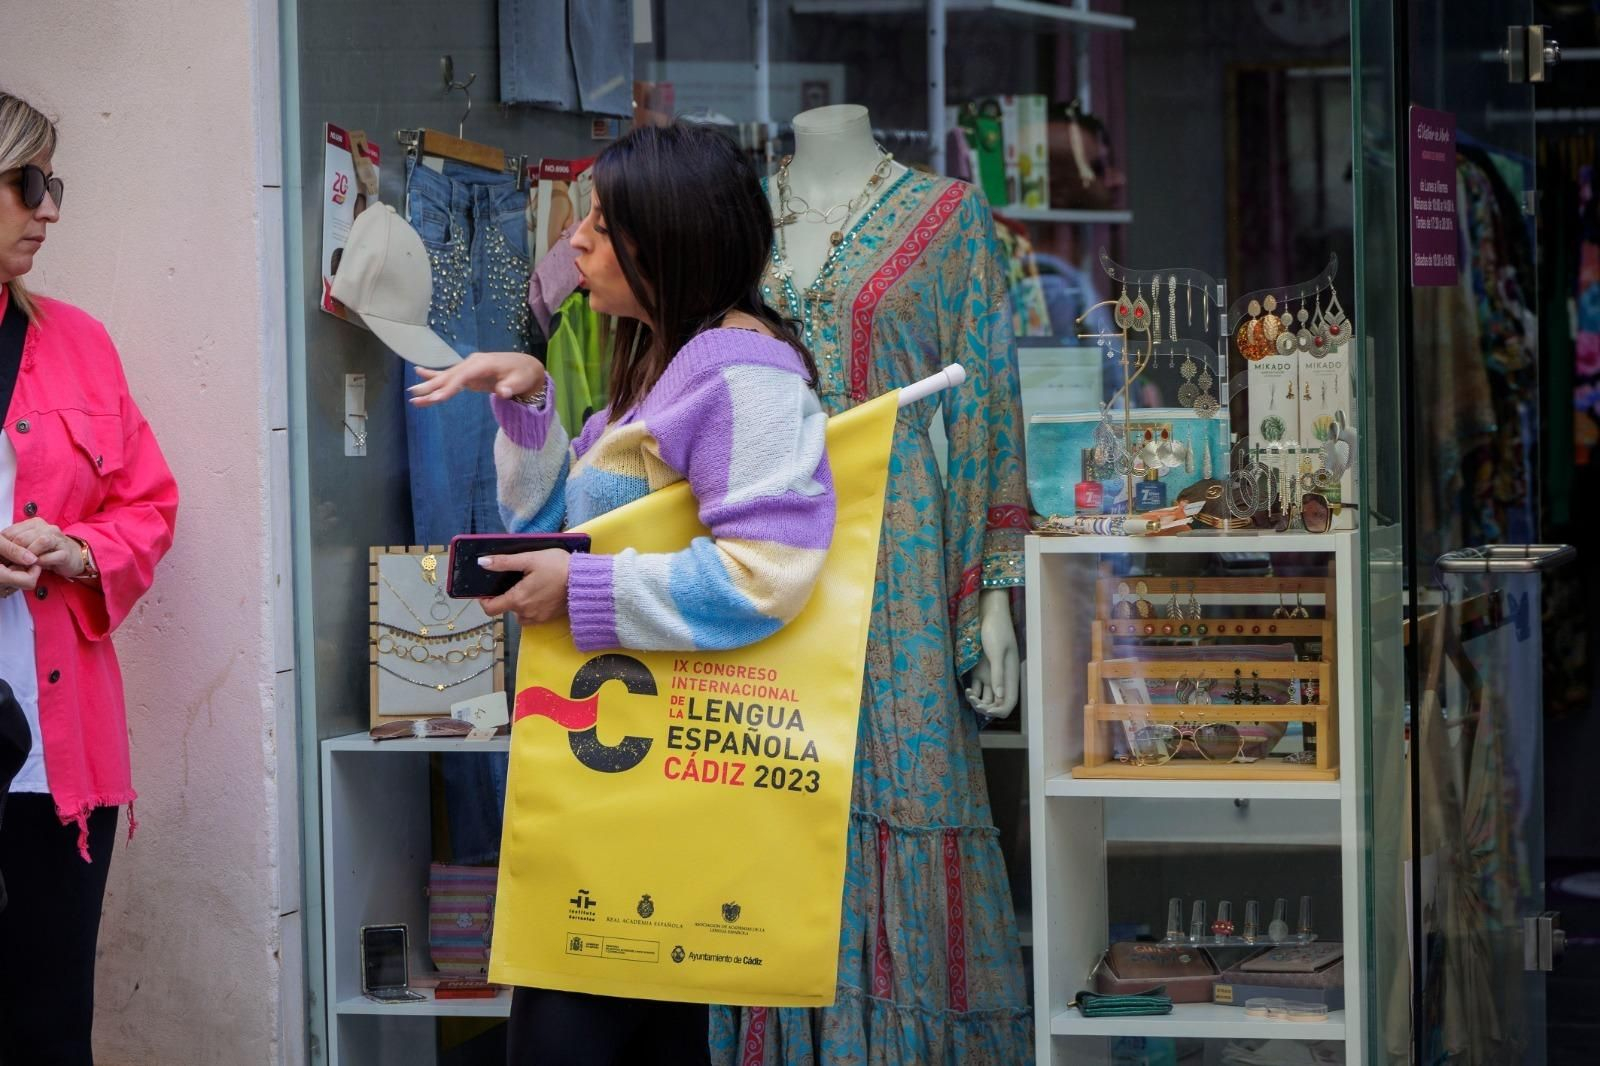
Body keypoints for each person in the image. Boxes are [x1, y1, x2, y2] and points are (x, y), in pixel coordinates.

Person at [410, 123, 835, 1065]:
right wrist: (527, 402)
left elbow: (768, 573)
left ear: (669, 239)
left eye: (604, 224)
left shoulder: (742, 377)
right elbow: (565, 523)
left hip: (655, 791)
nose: (578, 244)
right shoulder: (669, 362)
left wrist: (582, 588)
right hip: (626, 782)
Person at [0, 90, 179, 1065]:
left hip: (51, 761)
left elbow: (149, 505)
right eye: (27, 184)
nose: (49, 208)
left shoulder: (80, 342)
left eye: (52, 184)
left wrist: (80, 552)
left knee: (49, 1026)